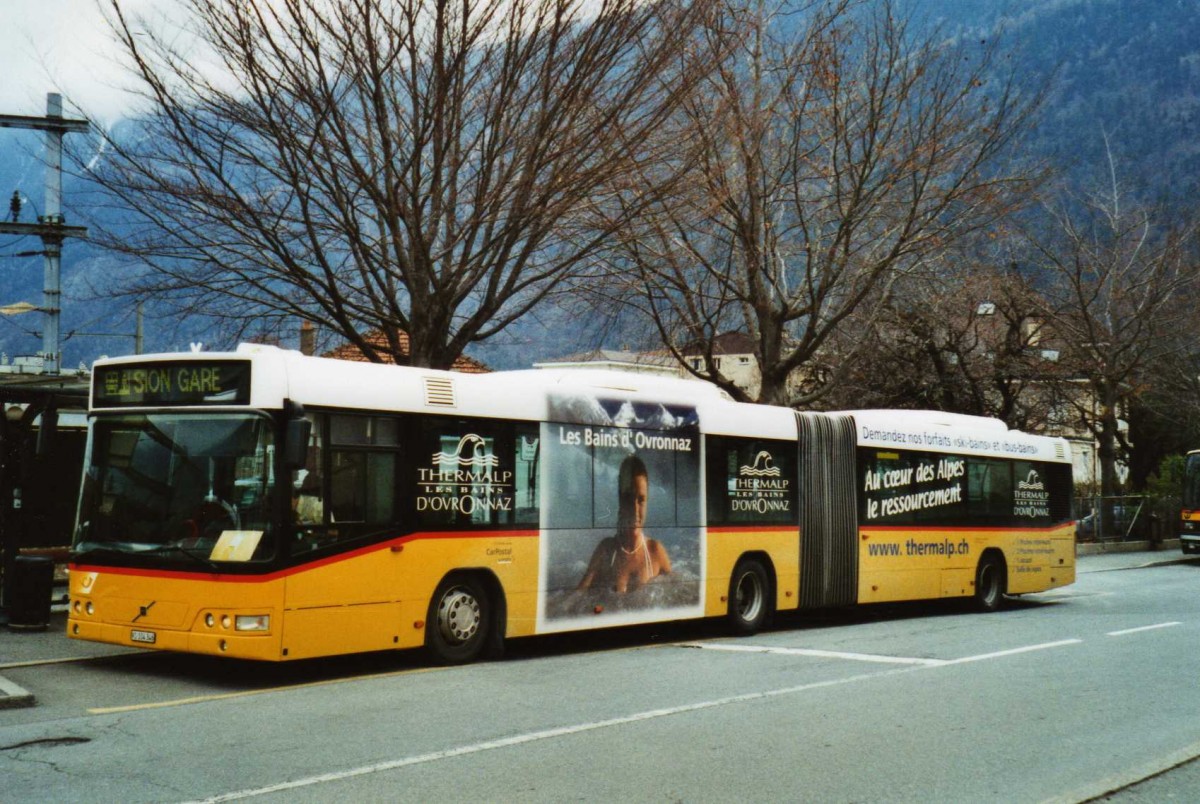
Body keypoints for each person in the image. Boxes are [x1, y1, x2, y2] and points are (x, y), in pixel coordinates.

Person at [577, 454, 671, 593]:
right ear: (620, 501)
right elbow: (575, 599)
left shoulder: (655, 552)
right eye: (628, 498)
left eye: (641, 500)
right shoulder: (606, 551)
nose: (635, 510)